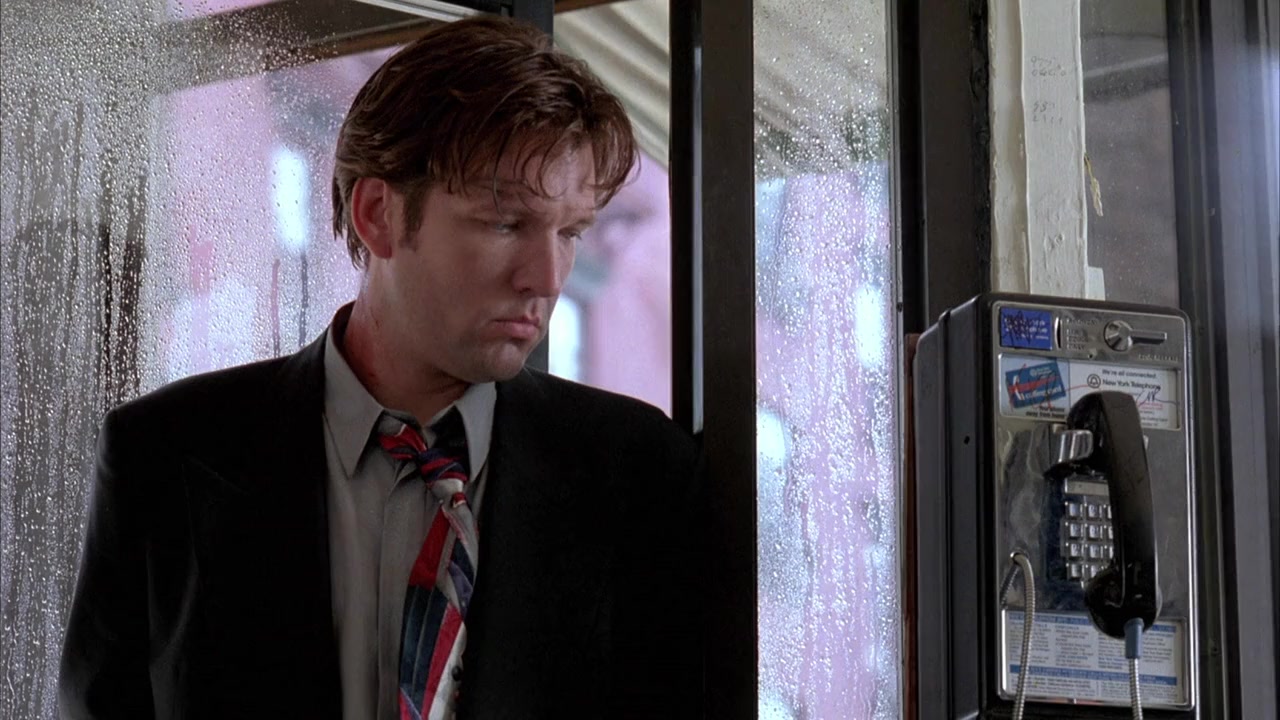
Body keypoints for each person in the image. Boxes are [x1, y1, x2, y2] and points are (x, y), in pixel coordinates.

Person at [59, 15, 702, 720]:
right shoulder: (167, 455)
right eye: (505, 223)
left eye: (570, 232)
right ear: (378, 215)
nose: (547, 277)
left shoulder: (636, 471)